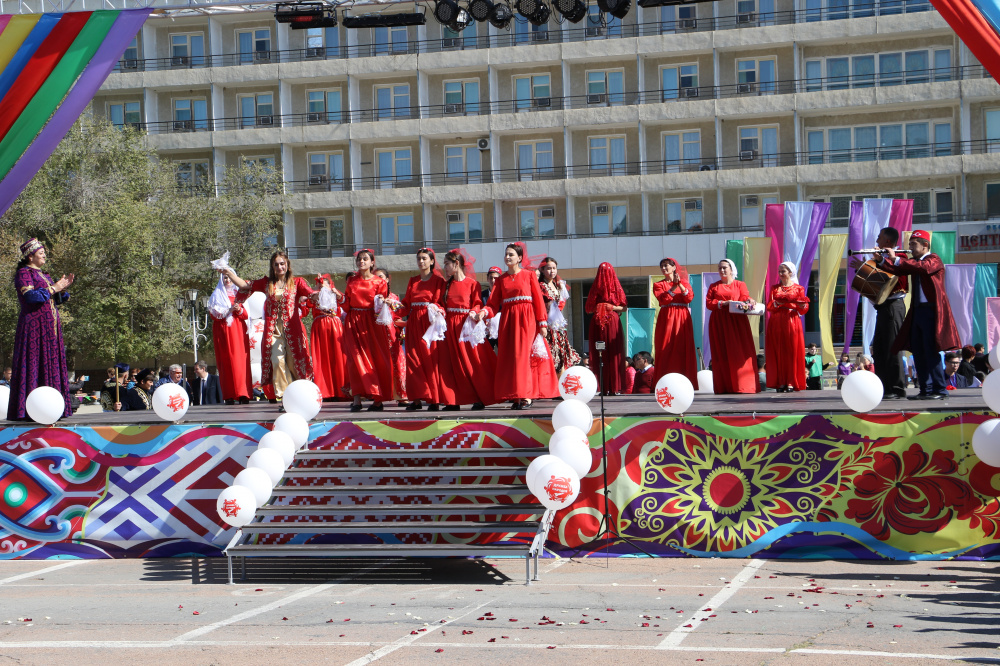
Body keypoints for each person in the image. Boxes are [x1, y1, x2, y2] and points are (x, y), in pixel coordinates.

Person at [877, 229, 961, 400]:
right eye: (910, 245)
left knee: (931, 351)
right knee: (919, 352)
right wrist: (881, 261)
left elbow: (923, 268)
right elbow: (899, 270)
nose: (911, 248)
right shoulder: (915, 262)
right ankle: (926, 389)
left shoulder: (933, 259)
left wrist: (897, 258)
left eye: (914, 245)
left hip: (931, 311)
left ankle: (939, 389)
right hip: (918, 311)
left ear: (925, 245)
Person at [224, 250, 316, 402]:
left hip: (292, 330)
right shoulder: (267, 283)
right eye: (276, 264)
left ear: (287, 265)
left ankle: (301, 394)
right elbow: (245, 285)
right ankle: (284, 396)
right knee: (276, 360)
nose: (280, 267)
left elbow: (310, 293)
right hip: (273, 330)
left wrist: (318, 294)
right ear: (272, 267)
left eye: (282, 264)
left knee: (294, 363)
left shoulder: (297, 282)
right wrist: (229, 272)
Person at [7, 238, 74, 421]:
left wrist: (62, 291)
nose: (44, 255)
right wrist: (54, 287)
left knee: (51, 364)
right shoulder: (24, 273)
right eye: (41, 252)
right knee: (34, 363)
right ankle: (28, 410)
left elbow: (51, 298)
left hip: (49, 329)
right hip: (34, 328)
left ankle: (54, 408)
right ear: (30, 256)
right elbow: (31, 297)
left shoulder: (43, 274)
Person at [484, 242, 557, 409]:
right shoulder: (501, 280)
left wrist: (542, 323)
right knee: (511, 359)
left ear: (520, 258)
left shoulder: (529, 275)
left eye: (511, 254)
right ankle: (516, 396)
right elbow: (493, 305)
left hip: (527, 321)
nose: (508, 257)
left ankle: (526, 396)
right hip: (508, 322)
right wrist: (483, 313)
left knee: (524, 358)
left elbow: (538, 300)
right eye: (506, 254)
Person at [851, 227, 908, 399]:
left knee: (893, 348)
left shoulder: (900, 257)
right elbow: (875, 282)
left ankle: (897, 388)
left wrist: (881, 260)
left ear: (888, 242)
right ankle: (885, 388)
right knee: (880, 349)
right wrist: (863, 268)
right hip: (883, 308)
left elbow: (894, 276)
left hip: (894, 306)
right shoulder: (881, 260)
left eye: (879, 238)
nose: (876, 241)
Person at [438, 249, 496, 410]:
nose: (445, 268)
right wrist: (437, 309)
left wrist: (474, 311)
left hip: (467, 327)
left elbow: (478, 302)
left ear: (456, 264)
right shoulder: (446, 285)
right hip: (450, 327)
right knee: (451, 364)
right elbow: (440, 303)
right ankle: (453, 400)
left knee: (473, 362)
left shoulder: (473, 284)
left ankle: (479, 397)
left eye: (447, 264)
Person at [343, 249, 393, 412]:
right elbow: (346, 306)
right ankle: (356, 399)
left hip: (372, 323)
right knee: (354, 359)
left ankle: (377, 399)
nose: (361, 261)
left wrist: (380, 302)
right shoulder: (351, 281)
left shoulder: (380, 282)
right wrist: (338, 297)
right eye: (359, 259)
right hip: (353, 322)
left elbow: (381, 307)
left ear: (372, 262)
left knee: (375, 358)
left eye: (365, 259)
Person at [399, 248, 447, 411]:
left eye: (424, 258)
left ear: (432, 261)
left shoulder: (438, 281)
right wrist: (392, 308)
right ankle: (417, 398)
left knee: (429, 360)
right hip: (413, 323)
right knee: (413, 359)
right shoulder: (413, 281)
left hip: (430, 323)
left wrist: (436, 308)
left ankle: (434, 398)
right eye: (419, 258)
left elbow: (441, 303)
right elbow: (406, 305)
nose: (421, 261)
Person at [705, 259, 759, 394]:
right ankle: (725, 385)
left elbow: (745, 297)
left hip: (736, 321)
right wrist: (722, 303)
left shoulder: (740, 284)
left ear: (731, 269)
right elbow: (709, 303)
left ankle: (743, 385)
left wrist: (749, 300)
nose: (722, 271)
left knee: (739, 352)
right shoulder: (714, 286)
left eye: (724, 268)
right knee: (721, 352)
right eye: (720, 268)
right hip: (719, 321)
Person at [651, 258, 698, 389]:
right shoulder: (658, 285)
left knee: (683, 346)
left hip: (682, 316)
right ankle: (665, 381)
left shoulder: (685, 283)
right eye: (662, 266)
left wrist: (680, 284)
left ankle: (685, 381)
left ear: (674, 267)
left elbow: (689, 298)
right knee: (666, 346)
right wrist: (674, 286)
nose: (664, 268)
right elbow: (663, 300)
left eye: (666, 266)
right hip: (667, 317)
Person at [765, 261, 810, 392]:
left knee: (792, 351)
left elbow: (804, 307)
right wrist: (788, 304)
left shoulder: (798, 288)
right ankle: (781, 381)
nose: (780, 274)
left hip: (792, 321)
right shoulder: (774, 288)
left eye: (783, 271)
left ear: (790, 272)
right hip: (777, 322)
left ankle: (791, 381)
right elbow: (769, 306)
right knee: (778, 351)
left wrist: (783, 304)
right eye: (779, 271)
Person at [210, 273, 253, 405]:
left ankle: (243, 394)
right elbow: (214, 314)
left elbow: (246, 314)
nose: (227, 280)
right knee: (225, 361)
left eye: (229, 277)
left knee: (240, 361)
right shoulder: (216, 295)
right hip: (222, 331)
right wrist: (228, 310)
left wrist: (238, 309)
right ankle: (229, 395)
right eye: (224, 278)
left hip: (237, 330)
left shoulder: (239, 294)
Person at [586, 262, 627, 396]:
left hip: (612, 321)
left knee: (613, 352)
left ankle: (614, 386)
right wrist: (599, 307)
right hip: (598, 322)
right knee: (600, 352)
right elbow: (588, 308)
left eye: (607, 272)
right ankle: (602, 386)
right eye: (601, 271)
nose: (604, 275)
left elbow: (624, 307)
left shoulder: (617, 288)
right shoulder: (595, 288)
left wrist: (611, 307)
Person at [309, 273, 349, 402]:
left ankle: (341, 390)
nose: (322, 286)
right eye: (319, 284)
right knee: (322, 358)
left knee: (338, 357)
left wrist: (336, 294)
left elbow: (346, 303)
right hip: (320, 327)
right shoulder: (314, 296)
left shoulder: (335, 294)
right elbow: (305, 306)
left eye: (324, 283)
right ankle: (325, 390)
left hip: (335, 327)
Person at [538, 257, 581, 376]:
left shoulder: (558, 285)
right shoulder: (541, 286)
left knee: (562, 355)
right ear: (542, 270)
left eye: (554, 268)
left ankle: (560, 386)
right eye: (549, 268)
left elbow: (561, 304)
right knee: (550, 355)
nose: (552, 271)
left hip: (558, 327)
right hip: (547, 325)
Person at [375, 267, 407, 405]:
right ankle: (379, 397)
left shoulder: (393, 297)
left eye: (381, 277)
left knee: (398, 363)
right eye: (376, 278)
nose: (379, 280)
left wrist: (404, 326)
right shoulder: (373, 298)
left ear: (387, 279)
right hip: (376, 335)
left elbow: (399, 315)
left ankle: (400, 395)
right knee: (378, 365)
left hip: (392, 335)